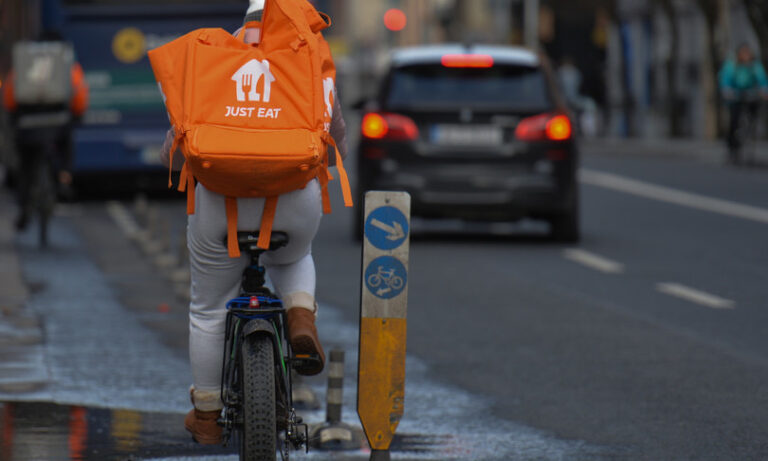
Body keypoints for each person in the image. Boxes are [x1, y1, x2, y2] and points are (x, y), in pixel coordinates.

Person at [161, 0, 348, 445]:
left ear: (244, 26)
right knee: (294, 254)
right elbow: (335, 136)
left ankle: (207, 413)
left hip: (219, 208)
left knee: (208, 308)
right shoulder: (308, 62)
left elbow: (177, 142)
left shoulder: (213, 63)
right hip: (293, 200)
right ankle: (300, 314)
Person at [2, 30, 88, 230]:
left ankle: (24, 206)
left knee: (25, 167)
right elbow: (79, 93)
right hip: (57, 124)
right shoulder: (66, 65)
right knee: (66, 146)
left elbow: (9, 96)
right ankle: (64, 178)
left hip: (27, 126)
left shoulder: (24, 66)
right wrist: (77, 115)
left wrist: (15, 117)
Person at [718, 43, 768, 158]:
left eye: (748, 54)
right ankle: (732, 145)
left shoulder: (755, 65)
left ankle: (750, 135)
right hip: (735, 95)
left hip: (750, 94)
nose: (746, 56)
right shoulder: (732, 64)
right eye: (743, 53)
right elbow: (725, 79)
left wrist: (765, 90)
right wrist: (727, 90)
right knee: (734, 118)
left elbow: (762, 79)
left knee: (753, 113)